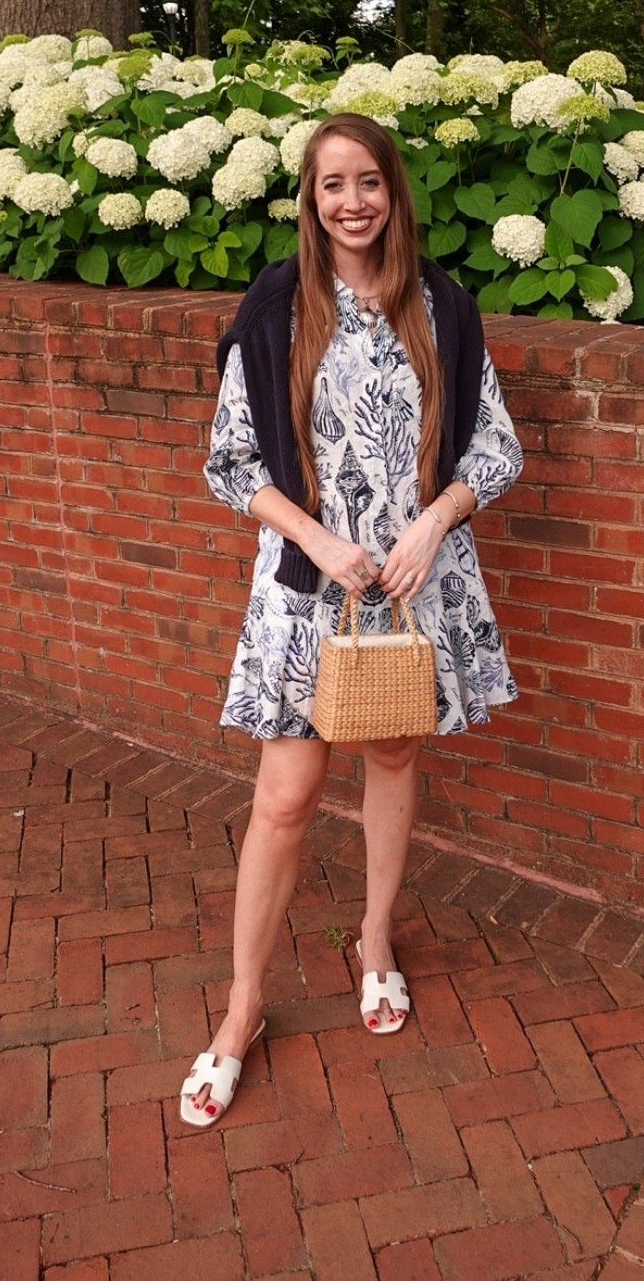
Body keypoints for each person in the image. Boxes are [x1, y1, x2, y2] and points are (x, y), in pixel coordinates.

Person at [181, 112, 523, 1128]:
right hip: (306, 587)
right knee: (285, 795)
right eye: (333, 184)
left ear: (393, 190)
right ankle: (244, 1003)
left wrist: (436, 519)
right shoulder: (276, 306)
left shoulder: (443, 307)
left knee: (394, 755)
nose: (353, 202)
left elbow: (495, 449)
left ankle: (374, 936)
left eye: (368, 181)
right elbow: (230, 463)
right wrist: (322, 541)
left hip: (415, 587)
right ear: (310, 198)